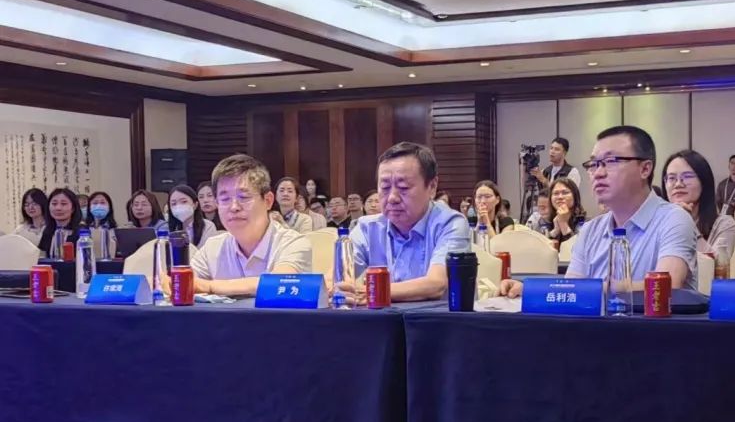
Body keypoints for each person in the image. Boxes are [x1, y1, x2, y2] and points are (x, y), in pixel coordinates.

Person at [502, 125, 697, 297]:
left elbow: (665, 287)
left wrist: (589, 288)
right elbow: (571, 291)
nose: (598, 173)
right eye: (593, 164)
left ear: (645, 169)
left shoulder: (673, 219)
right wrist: (531, 289)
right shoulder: (591, 230)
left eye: (611, 161)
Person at [338, 142, 471, 303]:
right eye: (385, 187)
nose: (392, 198)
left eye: (403, 187)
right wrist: (336, 287)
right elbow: (337, 279)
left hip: (436, 318)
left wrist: (372, 291)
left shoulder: (451, 223)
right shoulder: (367, 227)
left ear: (432, 187)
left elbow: (436, 284)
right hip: (384, 318)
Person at [189, 154, 312, 297]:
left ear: (268, 201)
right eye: (225, 199)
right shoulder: (212, 248)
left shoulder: (293, 243)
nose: (234, 207)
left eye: (244, 197)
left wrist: (209, 286)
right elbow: (181, 284)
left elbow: (279, 284)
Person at [660, 150, 735, 256]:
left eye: (687, 176)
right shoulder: (657, 223)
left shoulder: (724, 224)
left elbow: (716, 264)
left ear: (704, 181)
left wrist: (688, 224)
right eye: (672, 178)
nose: (678, 184)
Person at [167, 184, 218, 249]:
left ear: (195, 204)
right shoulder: (166, 228)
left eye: (184, 202)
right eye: (174, 204)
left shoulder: (207, 226)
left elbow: (208, 251)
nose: (179, 206)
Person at [38, 188, 83, 257]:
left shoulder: (81, 231)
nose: (58, 208)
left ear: (73, 208)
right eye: (54, 204)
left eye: (63, 204)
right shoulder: (47, 231)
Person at [547, 178, 585, 247]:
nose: (560, 197)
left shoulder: (585, 224)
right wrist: (555, 232)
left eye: (565, 193)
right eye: (556, 193)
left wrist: (563, 224)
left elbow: (576, 250)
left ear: (575, 196)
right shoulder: (547, 221)